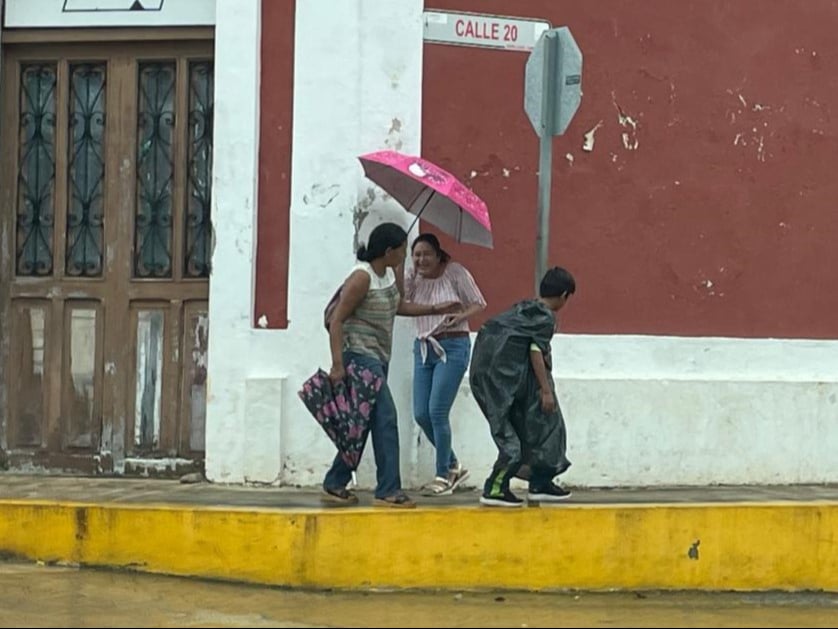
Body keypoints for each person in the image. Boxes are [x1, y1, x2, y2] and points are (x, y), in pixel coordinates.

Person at [322, 222, 457, 508]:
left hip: (379, 358)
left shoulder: (388, 277)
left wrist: (435, 309)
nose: (406, 256)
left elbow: (397, 307)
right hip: (359, 357)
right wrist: (337, 365)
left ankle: (335, 481)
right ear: (388, 251)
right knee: (386, 419)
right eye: (402, 250)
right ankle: (388, 490)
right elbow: (337, 321)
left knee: (362, 424)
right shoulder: (362, 278)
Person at [469, 266, 576, 507]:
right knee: (518, 437)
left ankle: (539, 481)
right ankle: (495, 488)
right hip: (500, 384)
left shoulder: (523, 310)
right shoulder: (545, 317)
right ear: (564, 296)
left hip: (492, 379)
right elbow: (536, 350)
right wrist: (546, 390)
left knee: (529, 426)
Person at [404, 233, 487, 496]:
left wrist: (459, 316)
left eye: (426, 254)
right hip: (424, 347)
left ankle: (443, 475)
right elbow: (400, 302)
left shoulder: (455, 273)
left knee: (437, 412)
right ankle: (453, 465)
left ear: (439, 255)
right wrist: (401, 273)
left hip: (452, 346)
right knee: (421, 413)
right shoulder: (412, 278)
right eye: (416, 254)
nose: (421, 259)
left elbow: (478, 303)